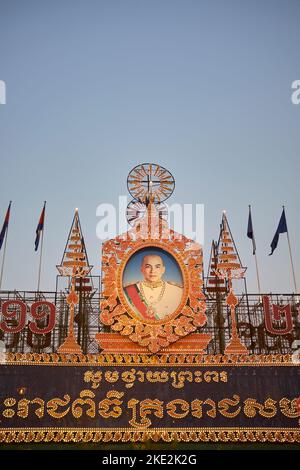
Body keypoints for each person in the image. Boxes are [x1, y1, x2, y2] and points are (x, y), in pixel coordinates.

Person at [124, 254, 183, 320]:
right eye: (148, 267)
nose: (152, 271)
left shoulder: (177, 291)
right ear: (141, 269)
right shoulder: (129, 290)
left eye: (157, 267)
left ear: (163, 270)